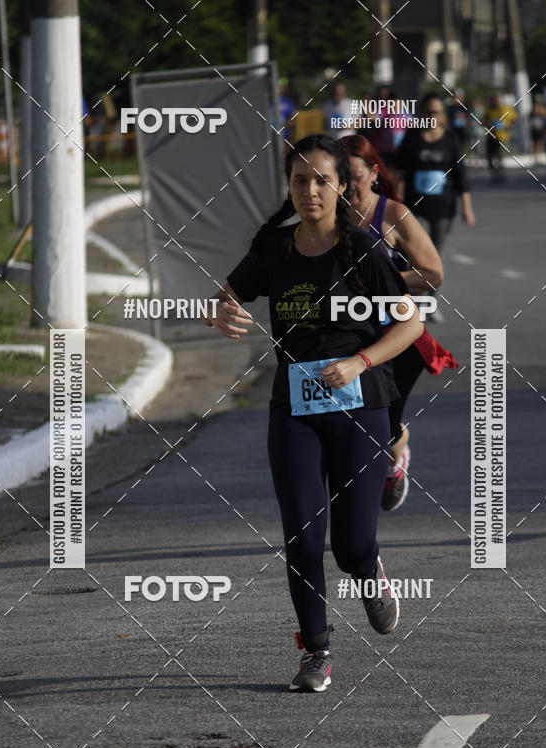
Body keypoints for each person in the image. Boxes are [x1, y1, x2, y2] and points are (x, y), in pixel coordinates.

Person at [204, 134, 422, 692]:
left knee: (351, 546)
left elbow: (411, 324)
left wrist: (359, 361)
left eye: (322, 180)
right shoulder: (274, 249)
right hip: (294, 410)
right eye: (300, 181)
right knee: (302, 535)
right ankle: (315, 651)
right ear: (290, 186)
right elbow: (226, 296)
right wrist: (221, 312)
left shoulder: (363, 250)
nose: (310, 191)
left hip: (361, 407)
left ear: (342, 186)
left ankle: (369, 572)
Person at [341, 134, 458, 511]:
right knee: (350, 421)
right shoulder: (329, 215)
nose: (348, 185)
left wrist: (382, 282)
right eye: (340, 176)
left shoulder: (393, 214)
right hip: (349, 338)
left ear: (374, 173)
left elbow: (433, 273)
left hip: (399, 338)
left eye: (355, 176)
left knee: (386, 424)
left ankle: (396, 460)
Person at [393, 93, 475, 253]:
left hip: (442, 205)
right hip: (414, 204)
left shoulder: (450, 139)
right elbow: (400, 169)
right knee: (415, 250)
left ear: (442, 115)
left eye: (436, 112)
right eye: (428, 112)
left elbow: (460, 175)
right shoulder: (412, 137)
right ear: (422, 113)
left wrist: (467, 208)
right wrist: (397, 197)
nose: (432, 116)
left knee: (435, 253)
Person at [482, 92, 517, 182]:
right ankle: (493, 173)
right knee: (490, 156)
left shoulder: (505, 109)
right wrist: (489, 124)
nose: (492, 102)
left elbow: (513, 119)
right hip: (491, 136)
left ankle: (500, 173)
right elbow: (484, 122)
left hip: (501, 137)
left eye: (494, 100)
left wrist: (507, 126)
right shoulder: (489, 110)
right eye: (491, 101)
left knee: (498, 155)